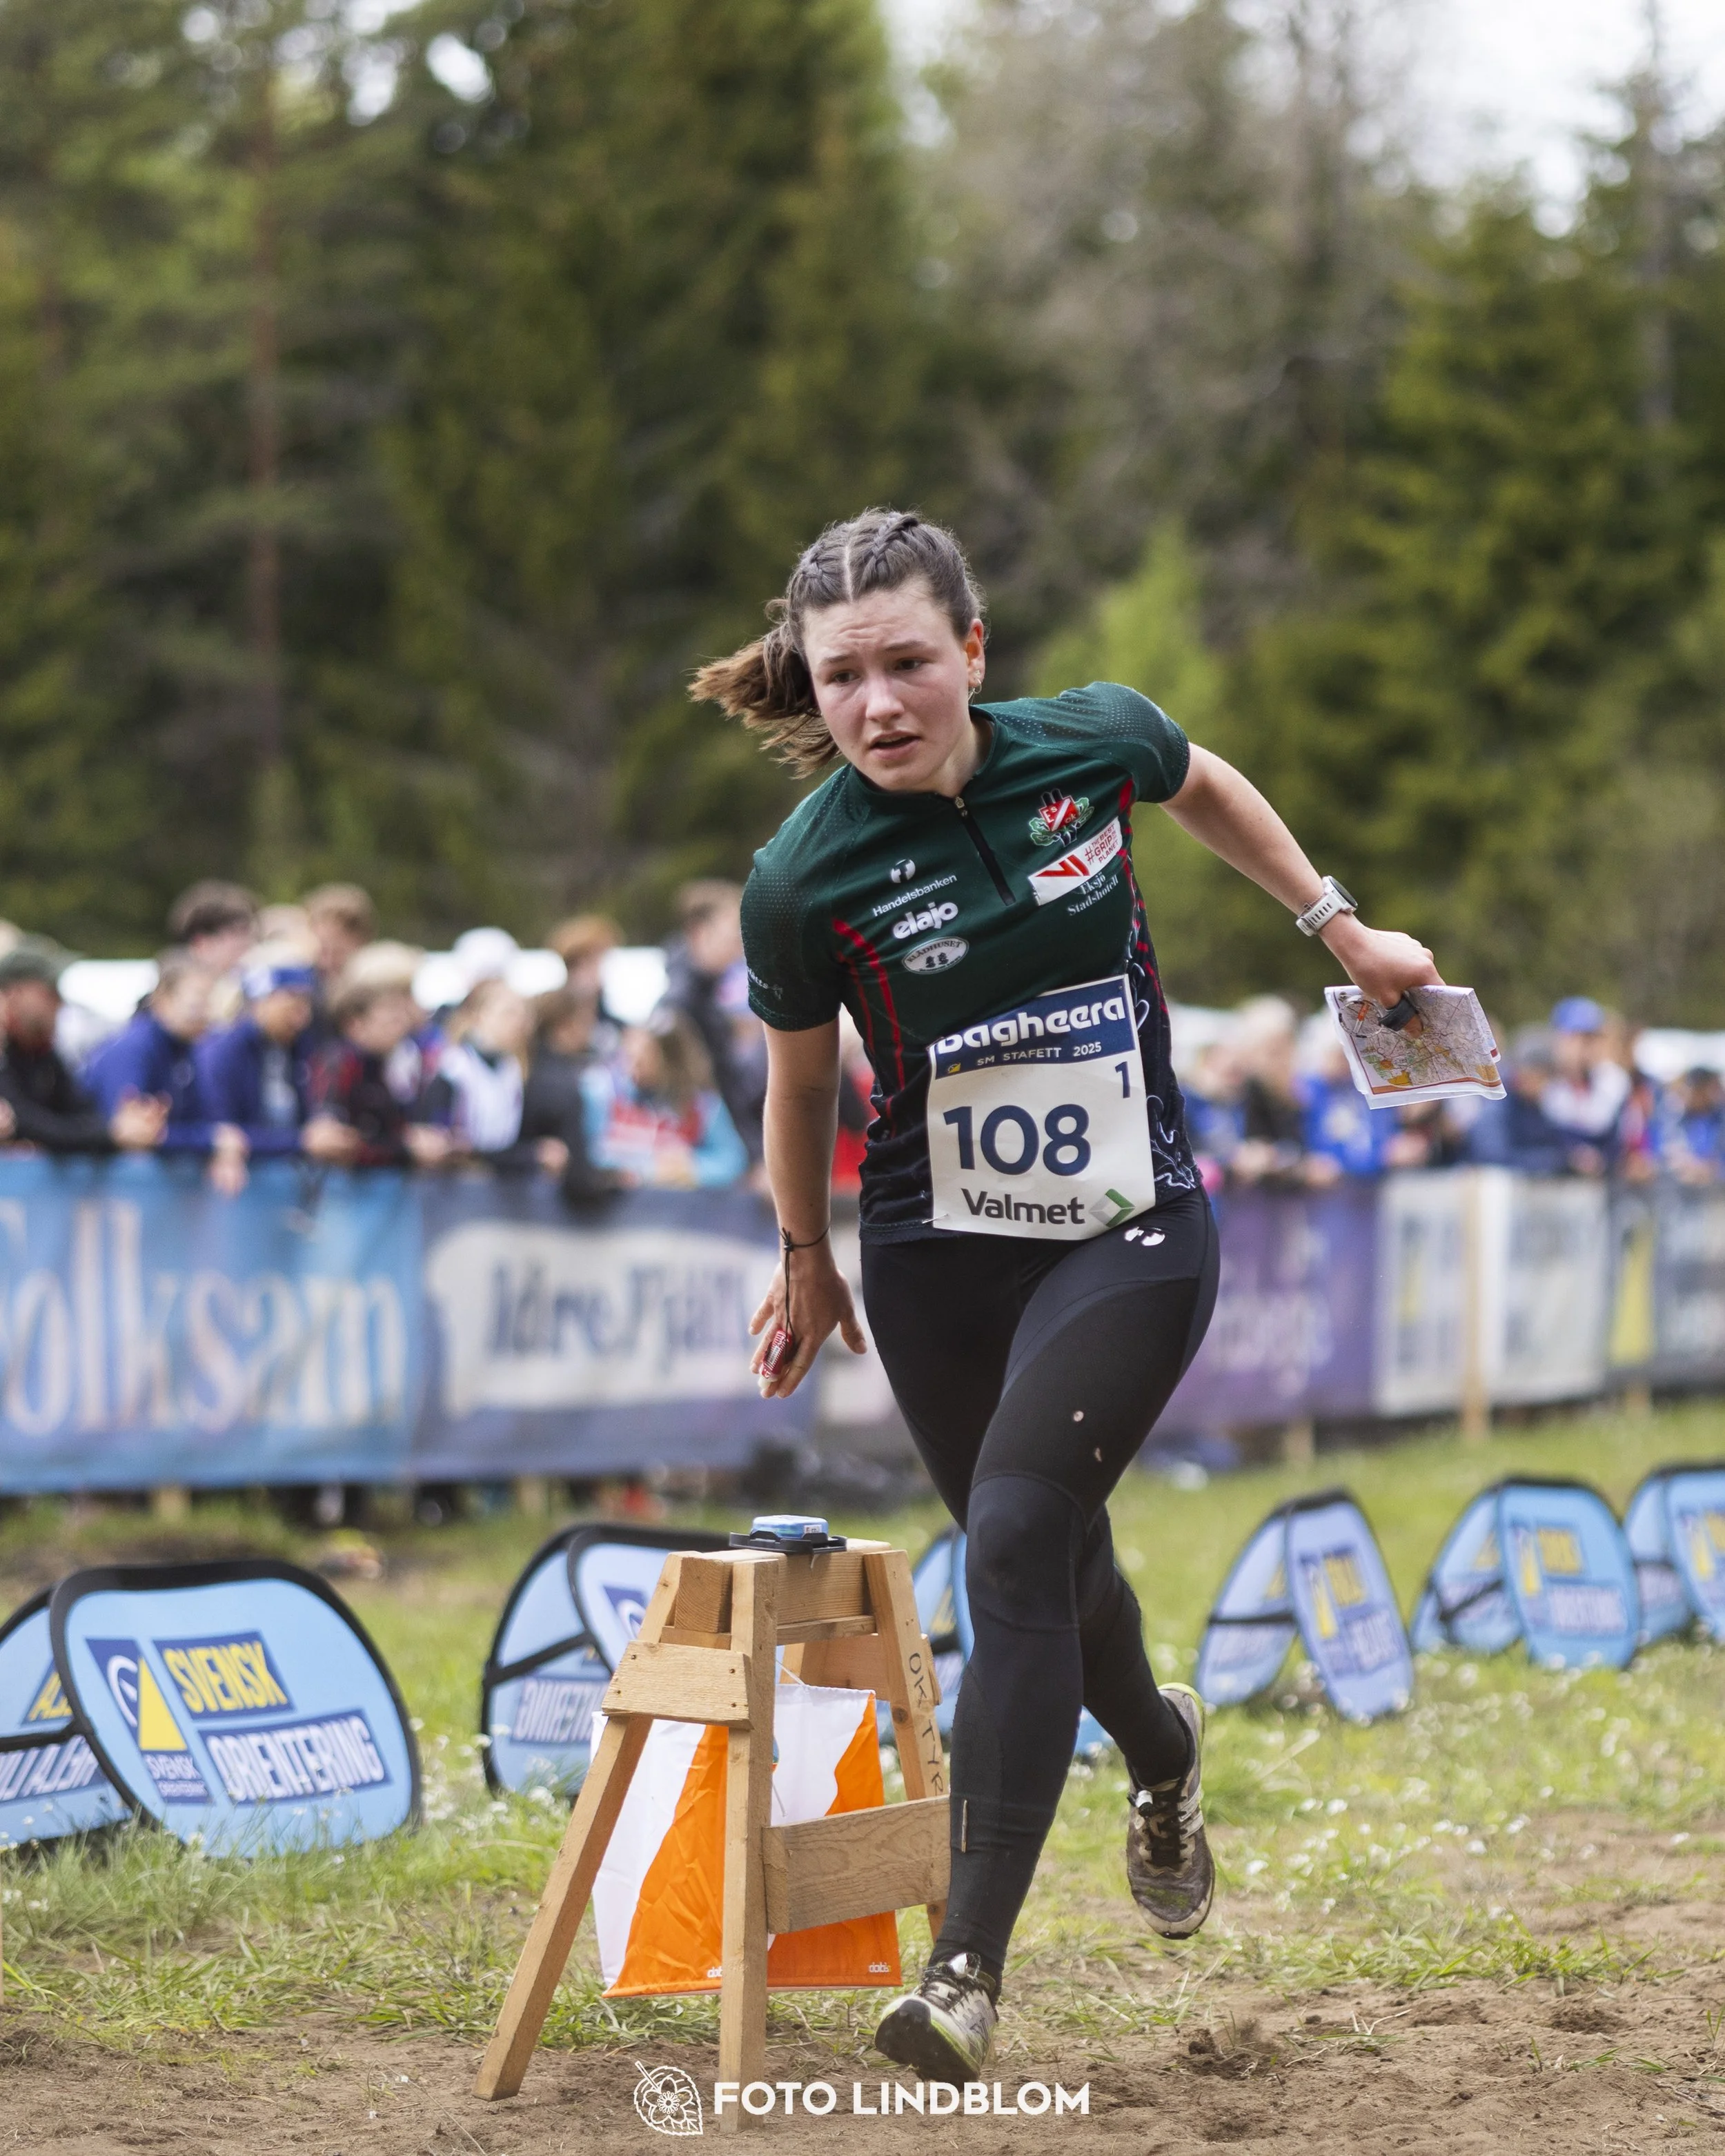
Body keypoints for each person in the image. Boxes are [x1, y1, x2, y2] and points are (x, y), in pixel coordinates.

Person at [691, 507, 1439, 2082]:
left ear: (973, 651)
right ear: (811, 689)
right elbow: (800, 1086)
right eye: (841, 679)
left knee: (1020, 1537)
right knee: (1037, 1552)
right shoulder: (801, 875)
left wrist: (1338, 925)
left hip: (1129, 1225)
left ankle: (962, 1973)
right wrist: (804, 1255)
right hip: (935, 1254)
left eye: (907, 663)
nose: (877, 705)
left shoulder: (1088, 741)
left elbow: (1206, 782)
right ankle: (1159, 1751)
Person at [83, 951, 249, 1191]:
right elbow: (134, 1133)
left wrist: (216, 1142)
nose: (207, 1012)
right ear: (162, 999)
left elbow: (200, 1119)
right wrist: (212, 1142)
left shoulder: (186, 1049)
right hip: (103, 1193)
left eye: (212, 1001)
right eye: (199, 1001)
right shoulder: (134, 1048)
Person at [0, 943, 165, 1154]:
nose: (60, 1003)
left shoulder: (42, 1053)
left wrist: (118, 1130)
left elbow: (81, 1112)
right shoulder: (8, 1050)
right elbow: (26, 1122)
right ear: (15, 993)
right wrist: (112, 1134)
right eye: (50, 992)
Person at [580, 1008, 749, 1188]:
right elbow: (587, 1152)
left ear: (672, 1061)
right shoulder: (602, 1092)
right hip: (613, 1206)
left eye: (642, 1061)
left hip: (673, 1210)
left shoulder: (701, 1106)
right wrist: (641, 1168)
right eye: (629, 1057)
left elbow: (732, 1162)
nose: (631, 1070)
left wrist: (690, 1168)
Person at [662, 880, 767, 1162]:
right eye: (733, 934)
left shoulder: (708, 998)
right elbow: (712, 1093)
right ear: (699, 933)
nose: (740, 944)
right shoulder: (683, 1007)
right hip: (703, 1164)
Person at [304, 976, 453, 1168]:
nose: (401, 1026)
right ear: (355, 1024)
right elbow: (333, 1140)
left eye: (401, 1017)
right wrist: (406, 1147)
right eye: (391, 1019)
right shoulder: (338, 1063)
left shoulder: (396, 1063)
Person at [195, 952, 319, 1155]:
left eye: (307, 1005)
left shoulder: (301, 1047)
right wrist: (302, 1141)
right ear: (260, 1003)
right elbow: (223, 1132)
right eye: (293, 1006)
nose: (303, 1018)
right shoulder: (222, 1052)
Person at [521, 987, 624, 1198]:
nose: (591, 1029)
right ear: (564, 1026)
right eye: (586, 1021)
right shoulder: (563, 1085)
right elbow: (580, 1182)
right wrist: (616, 1182)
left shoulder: (526, 1069)